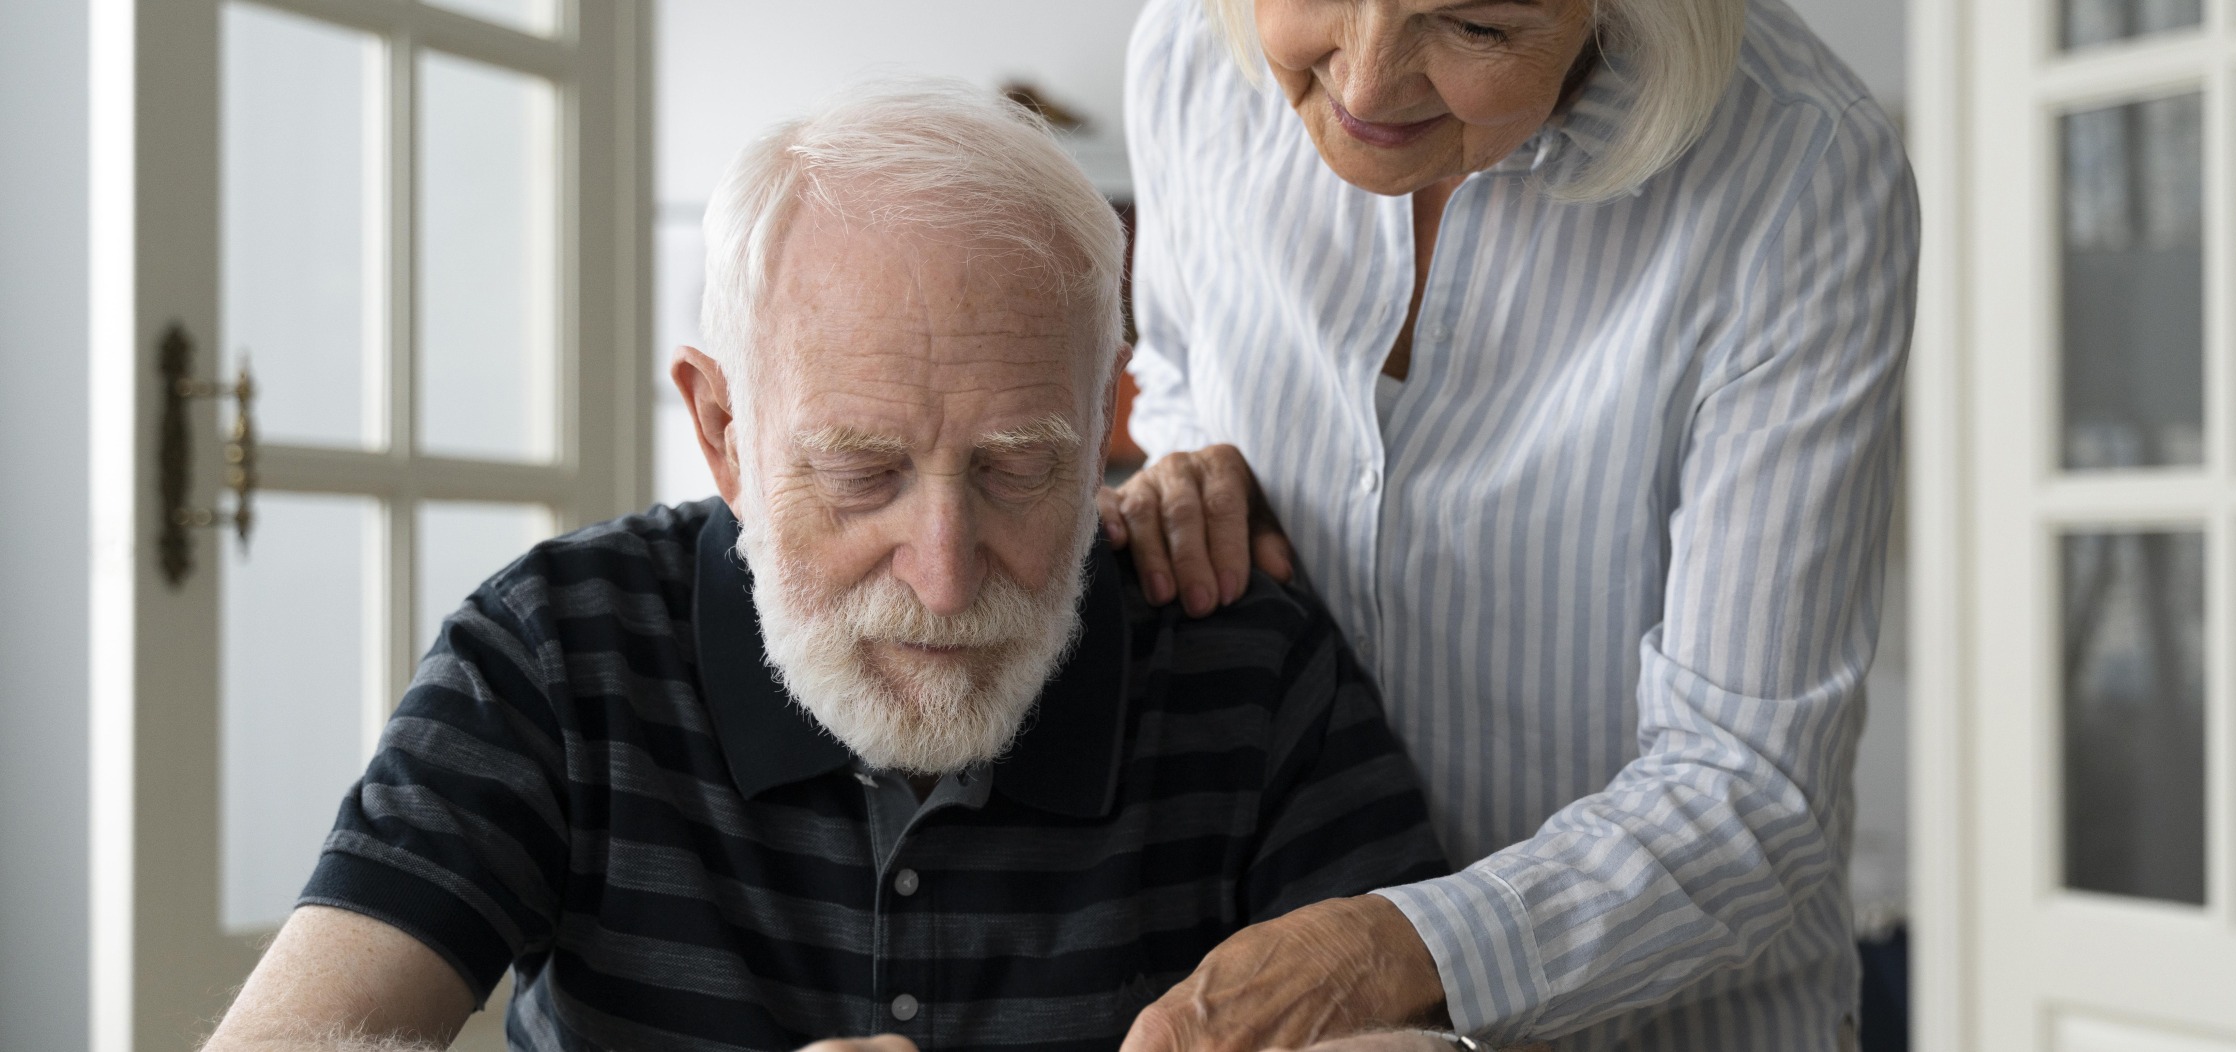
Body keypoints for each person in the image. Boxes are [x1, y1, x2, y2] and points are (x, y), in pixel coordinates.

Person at [200, 82, 1444, 1052]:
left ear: (1108, 421)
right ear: (723, 431)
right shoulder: (554, 649)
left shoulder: (1246, 661)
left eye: (1020, 469)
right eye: (861, 472)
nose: (947, 577)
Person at [1100, 0, 1918, 1049]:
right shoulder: (1184, 50)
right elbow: (1172, 370)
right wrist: (1187, 472)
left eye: (1473, 28)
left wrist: (1392, 953)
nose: (1362, 86)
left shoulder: (1799, 170)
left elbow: (1748, 783)